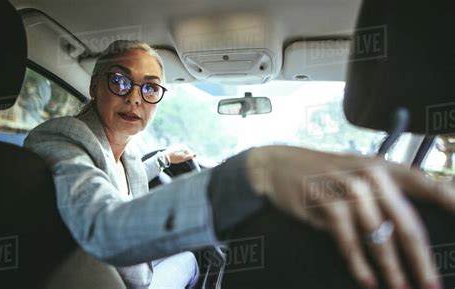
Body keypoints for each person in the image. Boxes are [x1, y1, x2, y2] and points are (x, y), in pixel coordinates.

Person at [24, 40, 455, 289]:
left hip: (130, 273)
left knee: (191, 256)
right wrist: (254, 170)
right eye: (120, 81)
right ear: (96, 87)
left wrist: (164, 160)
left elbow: (127, 174)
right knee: (195, 258)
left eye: (150, 88)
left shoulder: (130, 152)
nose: (135, 97)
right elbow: (103, 225)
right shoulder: (62, 137)